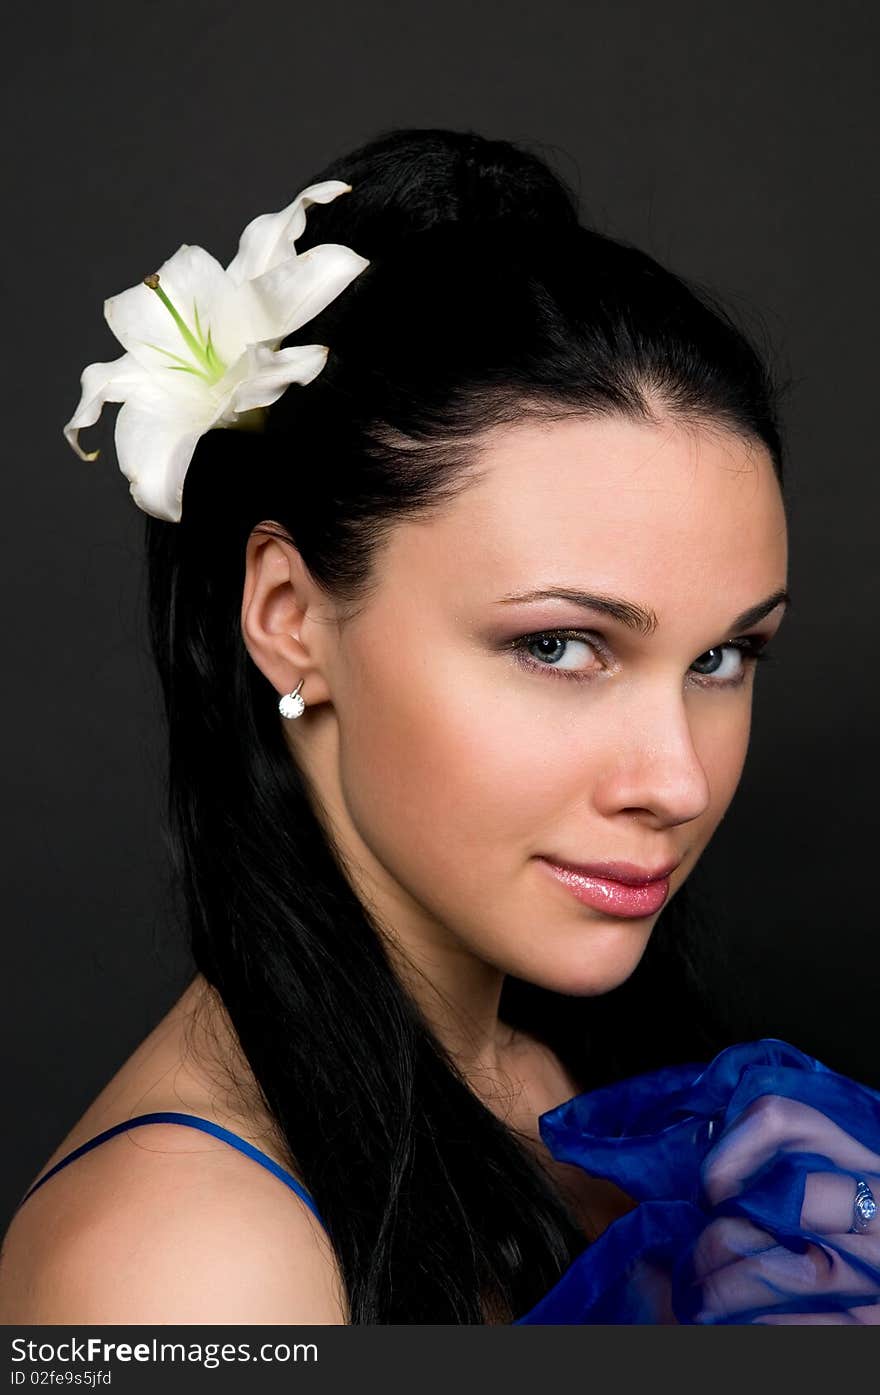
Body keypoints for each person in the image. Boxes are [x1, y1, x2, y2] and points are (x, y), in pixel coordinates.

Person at [1, 126, 877, 1325]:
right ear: (290, 615)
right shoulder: (185, 1273)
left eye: (723, 657)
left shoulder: (568, 1079)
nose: (675, 780)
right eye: (559, 646)